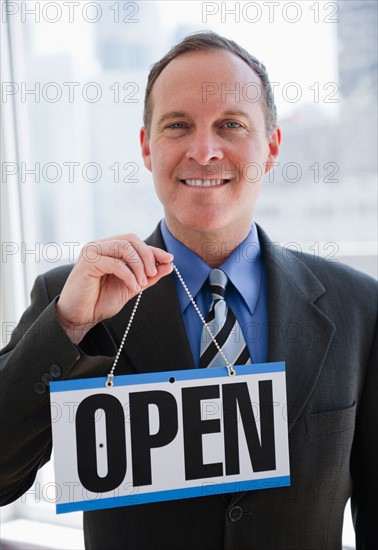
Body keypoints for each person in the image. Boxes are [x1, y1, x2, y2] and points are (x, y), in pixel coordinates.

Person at [0, 31, 377, 550]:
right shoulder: (70, 297)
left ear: (270, 147)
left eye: (231, 125)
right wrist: (67, 327)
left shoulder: (360, 308)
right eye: (178, 125)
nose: (204, 151)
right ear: (146, 148)